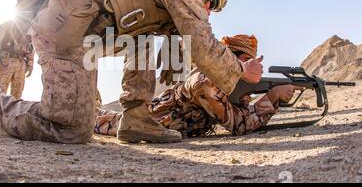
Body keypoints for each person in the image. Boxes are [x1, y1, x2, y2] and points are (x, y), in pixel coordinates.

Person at [0, 0, 263, 144]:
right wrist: (240, 70)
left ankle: (137, 117)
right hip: (63, 33)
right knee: (70, 129)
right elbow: (201, 43)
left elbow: (170, 45)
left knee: (146, 35)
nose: (208, 11)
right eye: (211, 2)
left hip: (85, 39)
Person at [95, 35, 305, 137]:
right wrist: (273, 97)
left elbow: (240, 113)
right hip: (145, 124)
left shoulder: (228, 87)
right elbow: (239, 124)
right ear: (231, 59)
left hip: (165, 126)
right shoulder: (205, 81)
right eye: (245, 62)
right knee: (92, 118)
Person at [0, 20, 35, 99]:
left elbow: (31, 48)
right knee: (0, 91)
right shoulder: (6, 25)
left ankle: (13, 111)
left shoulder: (30, 29)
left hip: (21, 63)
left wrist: (30, 65)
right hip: (6, 61)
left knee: (17, 94)